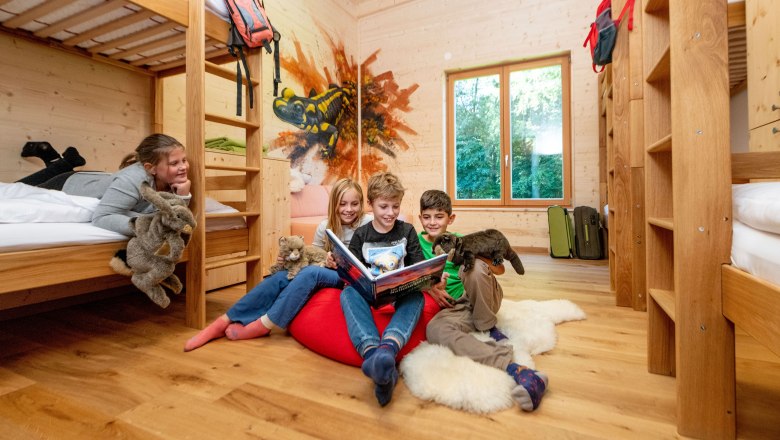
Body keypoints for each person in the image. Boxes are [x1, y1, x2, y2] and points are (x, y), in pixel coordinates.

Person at [184, 178, 372, 352]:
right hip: (327, 270)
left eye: (354, 204)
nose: (349, 209)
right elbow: (313, 254)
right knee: (281, 276)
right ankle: (223, 321)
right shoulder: (326, 226)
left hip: (349, 280)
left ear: (361, 204)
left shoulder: (367, 223)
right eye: (343, 204)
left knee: (310, 273)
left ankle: (263, 325)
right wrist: (291, 261)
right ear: (334, 205)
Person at [420, 189, 548, 412]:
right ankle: (517, 370)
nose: (432, 222)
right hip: (456, 307)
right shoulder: (416, 244)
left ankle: (488, 325)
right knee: (435, 330)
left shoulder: (463, 241)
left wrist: (477, 259)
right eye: (427, 216)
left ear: (450, 219)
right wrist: (431, 288)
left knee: (475, 269)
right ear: (420, 217)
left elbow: (498, 270)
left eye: (438, 217)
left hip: (481, 296)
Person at [339, 171, 426, 407]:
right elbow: (352, 272)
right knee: (347, 292)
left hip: (399, 294)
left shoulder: (407, 231)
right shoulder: (361, 234)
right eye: (384, 206)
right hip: (370, 294)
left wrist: (431, 277)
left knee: (417, 296)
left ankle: (385, 350)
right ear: (371, 205)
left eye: (395, 206)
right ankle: (373, 354)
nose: (390, 213)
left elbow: (417, 266)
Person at [15, 134, 192, 237]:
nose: (183, 167)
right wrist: (146, 228)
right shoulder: (133, 181)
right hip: (68, 185)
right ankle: (64, 163)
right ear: (151, 168)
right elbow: (102, 217)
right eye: (174, 163)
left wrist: (183, 196)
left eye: (184, 160)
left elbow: (172, 217)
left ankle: (65, 161)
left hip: (97, 179)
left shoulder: (170, 180)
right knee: (13, 189)